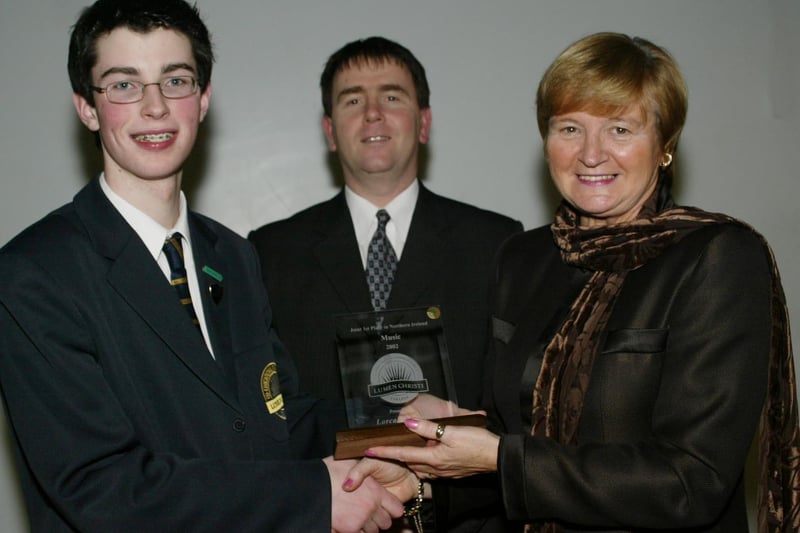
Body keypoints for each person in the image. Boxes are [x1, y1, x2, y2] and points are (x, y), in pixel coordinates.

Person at [349, 32, 800, 532]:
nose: (591, 154)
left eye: (620, 130)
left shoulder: (716, 257)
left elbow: (691, 483)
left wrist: (501, 458)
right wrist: (433, 453)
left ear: (665, 144)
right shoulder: (523, 257)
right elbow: (508, 438)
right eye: (569, 128)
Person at [0, 1, 413, 531]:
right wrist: (314, 496)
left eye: (175, 81)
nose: (156, 108)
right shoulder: (34, 273)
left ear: (203, 98)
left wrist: (400, 421)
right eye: (124, 85)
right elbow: (103, 489)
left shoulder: (233, 255)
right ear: (86, 106)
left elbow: (280, 417)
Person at [248, 36, 522, 532]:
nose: (373, 113)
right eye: (353, 100)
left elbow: (512, 408)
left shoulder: (497, 243)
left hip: (467, 519)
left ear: (425, 122)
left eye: (392, 96)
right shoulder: (268, 252)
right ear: (330, 131)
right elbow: (270, 412)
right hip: (330, 516)